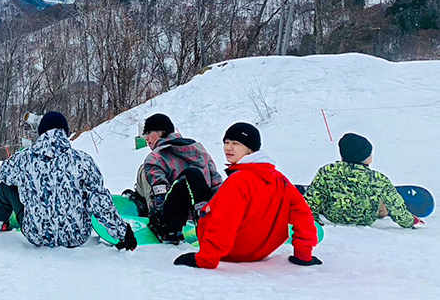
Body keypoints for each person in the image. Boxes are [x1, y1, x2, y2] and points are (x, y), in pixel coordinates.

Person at [0, 111, 137, 250]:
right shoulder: (83, 161)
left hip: (36, 234)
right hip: (76, 236)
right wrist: (122, 233)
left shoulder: (24, 158)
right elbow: (100, 202)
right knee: (91, 192)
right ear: (65, 133)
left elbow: (3, 173)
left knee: (8, 186)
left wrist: (29, 182)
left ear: (41, 133)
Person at [174, 122, 320, 269]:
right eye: (226, 142)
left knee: (190, 178)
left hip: (232, 252)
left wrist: (205, 259)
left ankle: (167, 226)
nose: (228, 148)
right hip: (261, 251)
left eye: (236, 143)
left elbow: (223, 222)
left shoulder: (238, 181)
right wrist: (304, 254)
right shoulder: (279, 179)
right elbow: (303, 213)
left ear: (250, 150)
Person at [126, 113, 223, 243]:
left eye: (149, 133)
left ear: (162, 132)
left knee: (143, 169)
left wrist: (158, 216)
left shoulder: (156, 158)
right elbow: (216, 183)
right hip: (203, 212)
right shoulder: (200, 151)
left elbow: (158, 188)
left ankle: (140, 203)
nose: (147, 138)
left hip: (174, 219)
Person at [305, 132, 423, 229]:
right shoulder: (378, 179)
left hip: (333, 215)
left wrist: (314, 221)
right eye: (369, 154)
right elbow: (395, 206)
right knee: (384, 202)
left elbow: (311, 200)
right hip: (365, 219)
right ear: (367, 159)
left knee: (321, 191)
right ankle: (382, 207)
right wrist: (410, 221)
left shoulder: (327, 171)